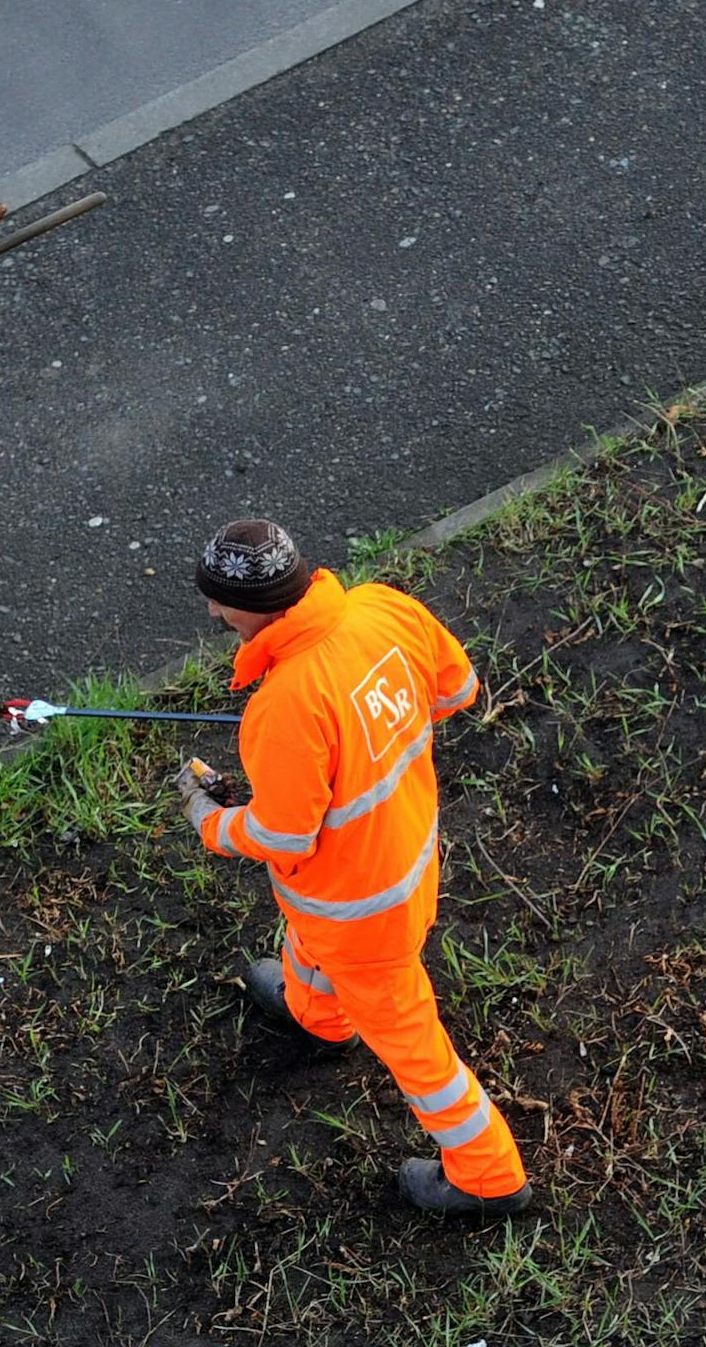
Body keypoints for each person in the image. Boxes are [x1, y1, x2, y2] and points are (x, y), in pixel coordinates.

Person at [174, 517, 532, 1219]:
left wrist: (211, 822)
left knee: (413, 1046)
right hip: (404, 857)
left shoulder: (283, 705)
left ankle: (488, 1175)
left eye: (219, 603)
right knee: (307, 940)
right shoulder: (383, 607)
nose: (214, 614)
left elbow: (283, 836)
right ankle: (319, 1015)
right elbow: (456, 690)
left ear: (258, 605)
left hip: (357, 911)